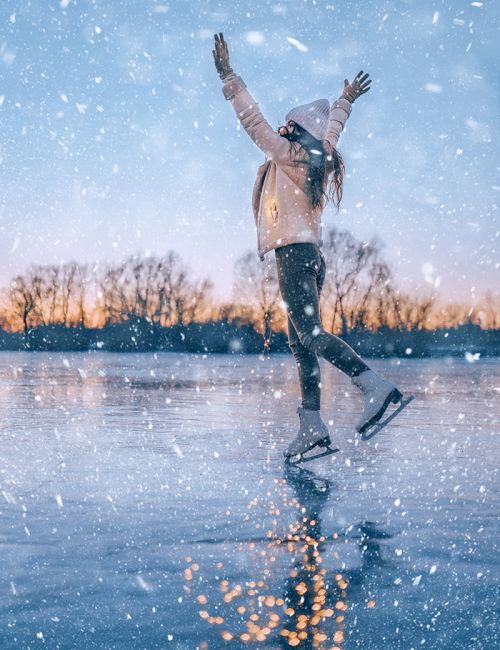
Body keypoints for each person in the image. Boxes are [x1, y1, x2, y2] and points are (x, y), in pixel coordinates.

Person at [213, 33, 411, 460]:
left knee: (309, 335)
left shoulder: (291, 156)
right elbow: (332, 130)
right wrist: (345, 101)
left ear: (299, 134)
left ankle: (372, 386)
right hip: (309, 257)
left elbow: (253, 123)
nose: (281, 130)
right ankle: (312, 426)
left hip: (296, 254)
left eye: (289, 126)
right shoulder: (317, 158)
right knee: (302, 342)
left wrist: (230, 78)